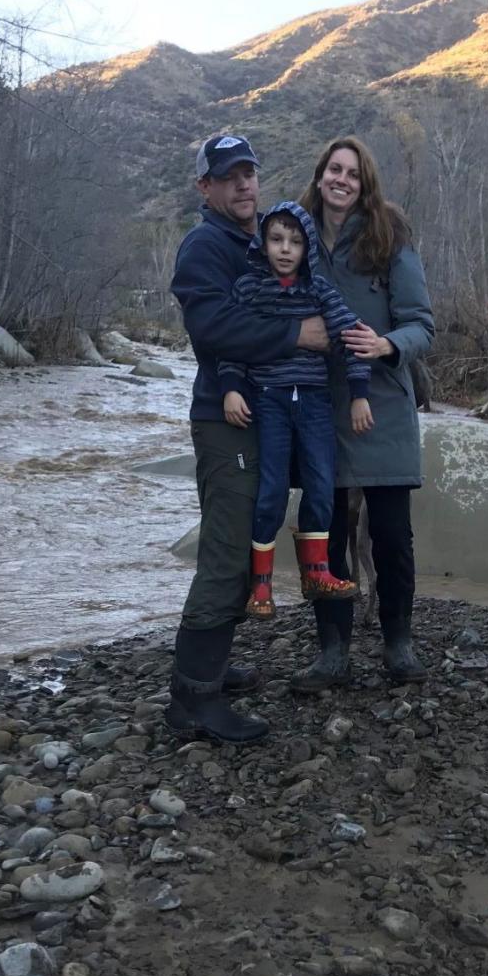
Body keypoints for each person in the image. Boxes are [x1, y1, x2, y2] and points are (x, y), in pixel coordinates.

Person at [168, 133, 330, 744]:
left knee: (251, 534)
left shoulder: (263, 237)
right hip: (223, 416)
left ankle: (213, 661)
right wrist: (296, 337)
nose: (243, 185)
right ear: (205, 187)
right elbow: (214, 328)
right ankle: (193, 701)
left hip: (268, 414)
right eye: (229, 176)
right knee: (230, 549)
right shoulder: (204, 246)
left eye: (250, 173)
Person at [291, 136, 435, 689]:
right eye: (334, 169)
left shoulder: (389, 235)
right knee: (323, 536)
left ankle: (399, 644)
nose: (342, 180)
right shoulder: (295, 232)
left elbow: (422, 323)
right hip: (318, 407)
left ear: (364, 182)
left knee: (392, 535)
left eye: (353, 173)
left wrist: (385, 344)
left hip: (384, 405)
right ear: (321, 174)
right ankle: (332, 651)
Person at [217, 200, 372, 618]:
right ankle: (261, 585)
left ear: (307, 249)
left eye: (295, 242)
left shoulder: (319, 290)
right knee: (270, 490)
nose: (285, 249)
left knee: (321, 485)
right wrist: (231, 388)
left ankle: (316, 571)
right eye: (276, 239)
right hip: (268, 399)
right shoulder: (248, 288)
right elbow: (232, 342)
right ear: (264, 243)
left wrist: (359, 391)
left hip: (316, 402)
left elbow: (351, 335)